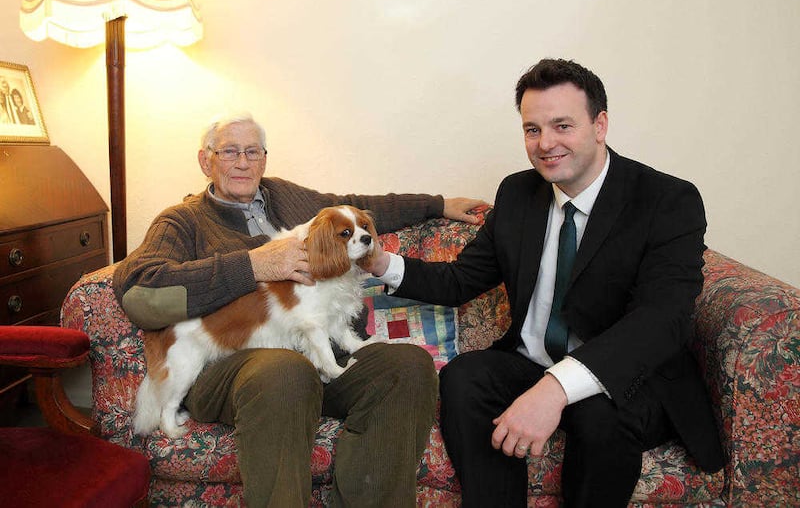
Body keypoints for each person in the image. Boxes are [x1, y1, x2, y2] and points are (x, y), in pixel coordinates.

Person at [365, 59, 725, 507]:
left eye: (562, 125)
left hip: (630, 376)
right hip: (534, 361)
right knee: (466, 378)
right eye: (532, 129)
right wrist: (379, 263)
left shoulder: (666, 200)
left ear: (600, 125)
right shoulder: (518, 193)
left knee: (598, 412)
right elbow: (461, 280)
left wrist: (555, 389)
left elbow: (660, 320)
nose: (546, 143)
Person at [113, 113, 485, 508]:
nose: (243, 162)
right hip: (233, 366)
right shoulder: (182, 220)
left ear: (265, 159)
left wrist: (440, 204)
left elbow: (359, 207)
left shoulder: (289, 197)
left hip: (318, 355)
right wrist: (254, 265)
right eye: (230, 152)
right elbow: (140, 290)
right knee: (285, 372)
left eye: (252, 152)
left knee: (407, 366)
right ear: (206, 161)